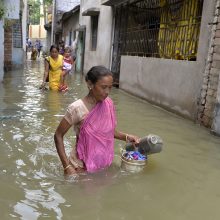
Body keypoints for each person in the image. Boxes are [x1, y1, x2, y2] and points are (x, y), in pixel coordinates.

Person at [54, 65, 139, 176]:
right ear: (90, 84)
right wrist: (67, 166)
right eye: (103, 87)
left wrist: (127, 137)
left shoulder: (108, 104)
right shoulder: (77, 108)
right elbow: (58, 135)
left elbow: (108, 132)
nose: (107, 91)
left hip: (103, 163)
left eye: (110, 87)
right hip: (80, 167)